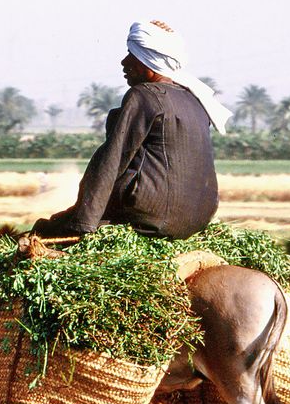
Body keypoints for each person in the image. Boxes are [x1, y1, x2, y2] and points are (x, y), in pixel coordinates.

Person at [32, 20, 231, 240]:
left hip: (153, 215)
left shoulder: (144, 94)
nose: (124, 62)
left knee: (46, 230)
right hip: (196, 220)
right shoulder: (193, 99)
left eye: (132, 55)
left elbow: (113, 161)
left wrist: (82, 224)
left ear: (149, 60)